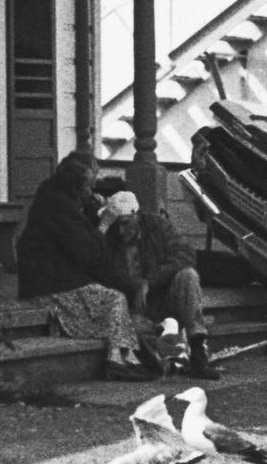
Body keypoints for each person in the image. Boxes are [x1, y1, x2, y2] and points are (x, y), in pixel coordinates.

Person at [16, 149, 142, 375]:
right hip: (47, 281)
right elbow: (88, 253)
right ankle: (117, 357)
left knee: (114, 292)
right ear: (75, 184)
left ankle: (123, 355)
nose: (91, 190)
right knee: (114, 298)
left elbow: (82, 235)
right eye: (88, 184)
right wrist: (104, 222)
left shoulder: (61, 198)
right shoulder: (58, 207)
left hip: (61, 275)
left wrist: (93, 209)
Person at [98, 182, 221, 380]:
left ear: (136, 215)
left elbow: (185, 254)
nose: (121, 230)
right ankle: (165, 359)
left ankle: (198, 350)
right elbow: (105, 271)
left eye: (126, 223)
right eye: (117, 224)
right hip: (134, 307)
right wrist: (137, 286)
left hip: (163, 298)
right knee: (136, 330)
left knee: (188, 275)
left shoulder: (157, 225)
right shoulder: (110, 240)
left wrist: (150, 281)